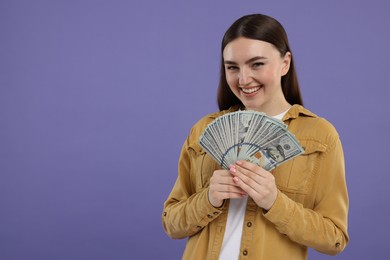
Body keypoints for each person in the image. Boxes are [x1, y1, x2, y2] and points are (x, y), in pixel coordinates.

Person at [162, 13, 349, 260]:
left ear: (285, 63)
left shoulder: (320, 136)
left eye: (257, 64)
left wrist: (275, 202)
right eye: (232, 67)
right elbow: (171, 224)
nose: (243, 79)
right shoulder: (202, 132)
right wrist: (208, 199)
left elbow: (334, 238)